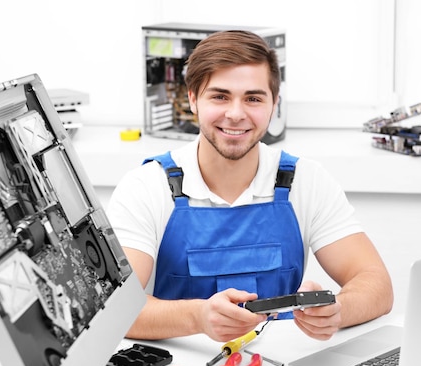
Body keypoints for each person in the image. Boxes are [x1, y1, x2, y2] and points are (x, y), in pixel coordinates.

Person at [106, 30, 393, 343]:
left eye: (253, 98)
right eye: (220, 96)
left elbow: (376, 284)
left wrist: (339, 310)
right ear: (192, 100)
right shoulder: (146, 187)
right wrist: (198, 317)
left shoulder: (307, 180)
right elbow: (114, 311)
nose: (236, 114)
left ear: (274, 104)